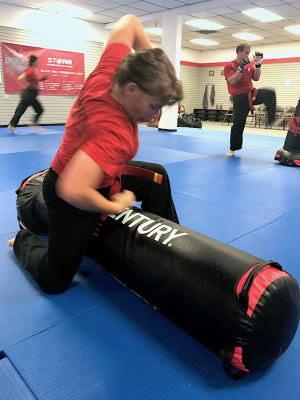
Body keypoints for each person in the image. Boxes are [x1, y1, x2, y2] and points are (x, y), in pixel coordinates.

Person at [7, 14, 183, 295]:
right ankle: (22, 240)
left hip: (100, 170)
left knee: (156, 176)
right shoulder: (114, 134)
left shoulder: (114, 71)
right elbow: (71, 189)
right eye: (154, 105)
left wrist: (157, 69)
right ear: (131, 89)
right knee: (55, 282)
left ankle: (170, 252)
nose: (156, 115)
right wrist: (115, 205)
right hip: (69, 195)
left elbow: (130, 23)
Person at [223, 43, 276, 157]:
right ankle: (233, 148)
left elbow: (256, 78)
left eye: (248, 53)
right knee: (239, 123)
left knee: (270, 93)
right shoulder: (229, 65)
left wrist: (258, 65)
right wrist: (241, 68)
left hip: (251, 94)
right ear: (239, 52)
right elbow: (232, 81)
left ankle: (271, 120)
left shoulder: (249, 64)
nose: (248, 55)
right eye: (246, 52)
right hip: (239, 97)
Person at [8, 55, 46, 134]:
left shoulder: (33, 71)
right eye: (37, 61)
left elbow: (34, 80)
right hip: (29, 94)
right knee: (21, 110)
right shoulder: (31, 70)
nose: (38, 63)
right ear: (34, 62)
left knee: (39, 110)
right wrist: (29, 85)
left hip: (31, 95)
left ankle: (31, 124)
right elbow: (21, 77)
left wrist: (41, 79)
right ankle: (12, 125)